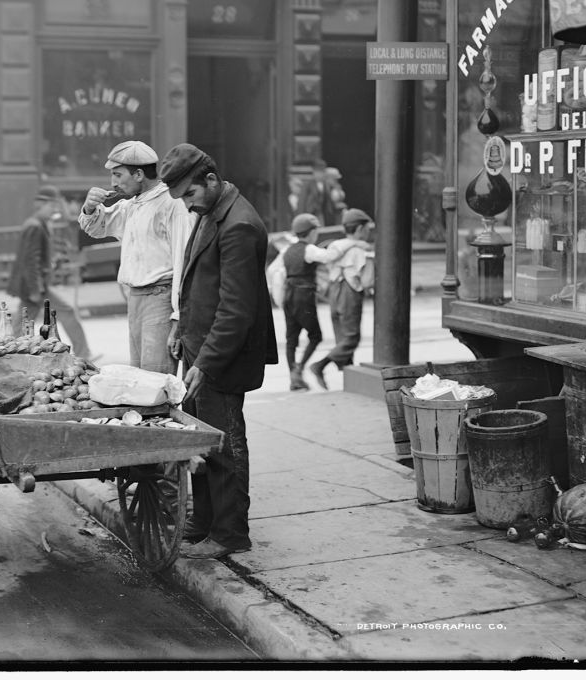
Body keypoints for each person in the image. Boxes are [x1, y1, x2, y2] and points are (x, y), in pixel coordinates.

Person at [160, 143, 278, 561]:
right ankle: (203, 521)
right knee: (201, 439)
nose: (188, 206)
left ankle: (229, 533)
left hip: (222, 357)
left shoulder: (239, 224)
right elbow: (198, 282)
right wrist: (181, 329)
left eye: (190, 195)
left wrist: (205, 363)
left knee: (225, 444)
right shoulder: (212, 211)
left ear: (210, 180)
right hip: (201, 348)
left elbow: (236, 311)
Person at [79, 140, 193, 374]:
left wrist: (178, 316)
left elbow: (185, 262)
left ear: (139, 174)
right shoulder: (132, 205)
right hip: (136, 299)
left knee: (156, 378)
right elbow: (97, 227)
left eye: (118, 175)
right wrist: (90, 207)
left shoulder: (172, 204)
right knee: (140, 377)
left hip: (160, 298)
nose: (113, 183)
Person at [281, 213, 369, 391]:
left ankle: (294, 376)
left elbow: (276, 272)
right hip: (303, 295)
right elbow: (329, 256)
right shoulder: (310, 249)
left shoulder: (287, 250)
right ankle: (307, 367)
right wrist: (354, 243)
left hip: (288, 295)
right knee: (316, 336)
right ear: (312, 232)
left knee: (291, 339)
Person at [6, 185, 93, 360]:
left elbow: (36, 258)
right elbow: (30, 261)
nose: (55, 209)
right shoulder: (35, 226)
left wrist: (52, 263)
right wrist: (35, 289)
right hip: (36, 286)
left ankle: (8, 352)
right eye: (51, 206)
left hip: (36, 284)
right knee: (65, 312)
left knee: (22, 321)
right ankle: (84, 354)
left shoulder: (39, 225)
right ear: (40, 205)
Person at [309, 208, 375, 391]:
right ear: (360, 228)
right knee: (352, 337)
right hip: (349, 293)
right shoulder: (360, 251)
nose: (368, 232)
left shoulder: (335, 247)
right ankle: (320, 365)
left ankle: (348, 378)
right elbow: (367, 280)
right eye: (367, 228)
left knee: (342, 338)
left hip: (334, 292)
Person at [295, 159, 338, 227]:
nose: (320, 174)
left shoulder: (327, 185)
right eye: (318, 172)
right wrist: (301, 218)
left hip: (323, 216)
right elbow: (302, 202)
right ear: (314, 172)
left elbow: (329, 202)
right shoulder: (308, 185)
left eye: (322, 172)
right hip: (310, 214)